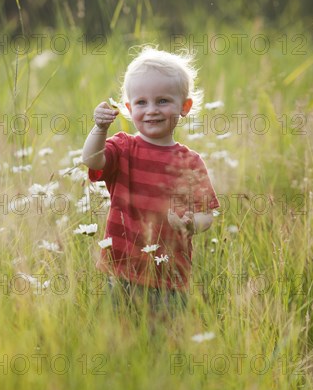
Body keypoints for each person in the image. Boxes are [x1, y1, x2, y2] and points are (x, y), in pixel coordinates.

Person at [81, 46, 219, 317]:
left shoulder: (190, 162)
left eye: (163, 101)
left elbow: (206, 214)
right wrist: (99, 129)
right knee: (120, 335)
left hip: (169, 276)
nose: (152, 110)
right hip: (122, 271)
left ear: (184, 107)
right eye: (142, 103)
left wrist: (192, 225)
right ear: (129, 109)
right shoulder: (123, 149)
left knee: (166, 339)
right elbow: (92, 160)